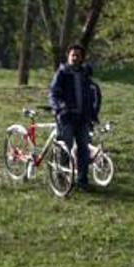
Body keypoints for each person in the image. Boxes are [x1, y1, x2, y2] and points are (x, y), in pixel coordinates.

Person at [48, 44, 102, 192]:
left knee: (83, 150)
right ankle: (62, 177)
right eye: (73, 55)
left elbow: (93, 94)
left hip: (83, 118)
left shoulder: (85, 75)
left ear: (82, 58)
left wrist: (93, 114)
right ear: (68, 56)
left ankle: (82, 180)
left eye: (78, 55)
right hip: (66, 118)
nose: (75, 58)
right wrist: (60, 106)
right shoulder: (62, 73)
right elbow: (53, 94)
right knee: (66, 148)